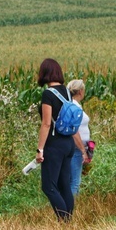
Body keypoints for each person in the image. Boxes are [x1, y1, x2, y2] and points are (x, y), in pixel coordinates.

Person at [35, 58, 76, 221]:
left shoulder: (48, 94)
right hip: (68, 143)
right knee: (64, 184)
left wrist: (40, 149)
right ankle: (69, 220)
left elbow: (46, 124)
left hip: (54, 145)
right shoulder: (66, 91)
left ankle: (64, 220)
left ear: (44, 73)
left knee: (49, 186)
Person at [66, 79, 91, 196]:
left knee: (72, 180)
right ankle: (71, 210)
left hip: (76, 147)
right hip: (76, 148)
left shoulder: (71, 104)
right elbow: (74, 131)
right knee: (75, 182)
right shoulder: (74, 107)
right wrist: (83, 151)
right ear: (81, 91)